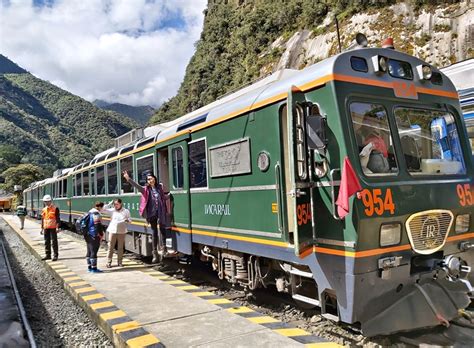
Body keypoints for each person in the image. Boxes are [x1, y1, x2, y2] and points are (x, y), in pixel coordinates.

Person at [123, 170, 168, 263]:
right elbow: (137, 186)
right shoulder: (145, 190)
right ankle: (155, 253)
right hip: (152, 214)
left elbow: (164, 197)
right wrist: (128, 179)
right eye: (148, 179)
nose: (150, 181)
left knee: (163, 230)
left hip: (160, 212)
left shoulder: (160, 187)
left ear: (154, 179)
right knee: (154, 232)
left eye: (151, 179)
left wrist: (171, 196)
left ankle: (164, 249)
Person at [102, 199, 131, 268]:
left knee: (120, 247)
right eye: (114, 204)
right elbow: (102, 210)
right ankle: (109, 262)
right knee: (110, 247)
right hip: (112, 230)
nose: (116, 206)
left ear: (121, 204)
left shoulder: (126, 211)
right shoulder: (112, 210)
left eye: (117, 204)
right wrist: (109, 204)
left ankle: (120, 262)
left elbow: (130, 220)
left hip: (122, 231)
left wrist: (127, 220)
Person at [84, 202, 105, 273]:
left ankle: (89, 268)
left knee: (89, 251)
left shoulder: (89, 213)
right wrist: (101, 234)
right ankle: (94, 269)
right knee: (94, 251)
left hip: (87, 234)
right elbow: (97, 226)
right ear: (99, 207)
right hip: (94, 235)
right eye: (102, 208)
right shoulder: (96, 214)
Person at [40, 195, 60, 261]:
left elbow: (57, 219)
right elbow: (42, 219)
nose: (47, 203)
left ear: (50, 201)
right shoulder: (44, 209)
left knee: (54, 242)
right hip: (46, 228)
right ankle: (48, 255)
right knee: (46, 241)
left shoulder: (55, 208)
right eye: (45, 202)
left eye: (48, 201)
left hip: (53, 227)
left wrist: (57, 227)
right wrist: (42, 228)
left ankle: (55, 255)